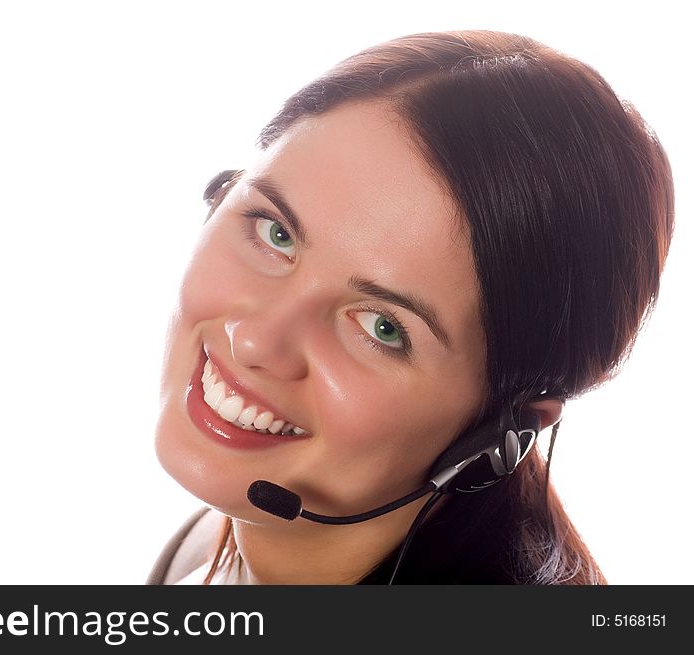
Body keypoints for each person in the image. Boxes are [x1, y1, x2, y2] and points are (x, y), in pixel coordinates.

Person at [147, 30, 675, 585]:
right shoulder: (208, 549)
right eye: (276, 233)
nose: (254, 340)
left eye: (383, 326)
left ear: (495, 438)